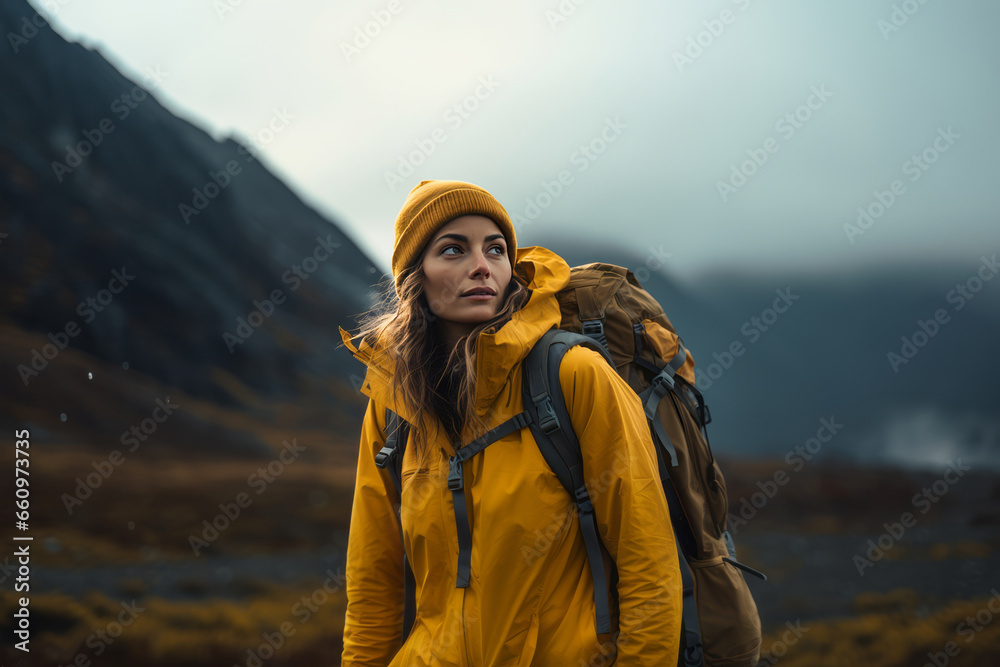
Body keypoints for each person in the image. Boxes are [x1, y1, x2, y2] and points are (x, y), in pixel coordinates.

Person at [338, 179, 682, 666]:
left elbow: (649, 563)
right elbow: (373, 580)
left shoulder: (573, 375)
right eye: (453, 249)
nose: (482, 265)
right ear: (414, 278)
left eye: (495, 249)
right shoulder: (393, 405)